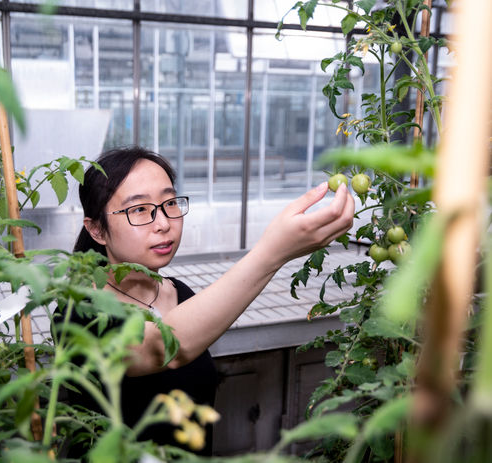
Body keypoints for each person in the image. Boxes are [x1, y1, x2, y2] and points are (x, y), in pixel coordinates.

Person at [65, 145, 354, 455]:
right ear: (97, 230)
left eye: (170, 202)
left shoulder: (180, 294)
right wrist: (273, 252)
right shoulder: (80, 313)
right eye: (139, 209)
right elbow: (162, 347)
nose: (163, 222)